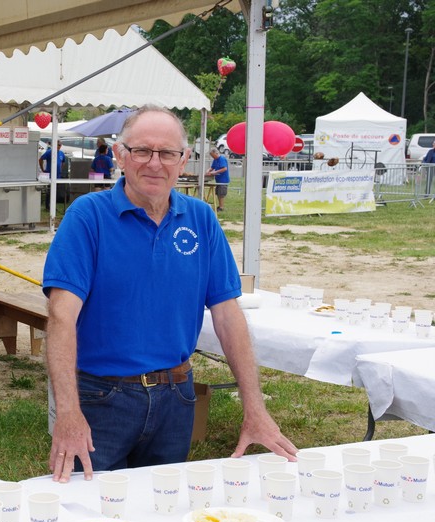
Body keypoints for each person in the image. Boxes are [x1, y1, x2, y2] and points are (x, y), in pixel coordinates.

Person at [42, 105, 297, 483]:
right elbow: (62, 316)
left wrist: (255, 408)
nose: (154, 164)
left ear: (184, 160)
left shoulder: (201, 218)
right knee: (88, 510)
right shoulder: (88, 216)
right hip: (101, 397)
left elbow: (228, 314)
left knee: (162, 509)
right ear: (120, 155)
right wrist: (67, 412)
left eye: (167, 153)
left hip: (177, 397)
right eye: (142, 151)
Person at [206, 147, 230, 212]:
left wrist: (215, 172)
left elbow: (224, 168)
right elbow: (212, 167)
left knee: (221, 194)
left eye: (212, 155)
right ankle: (219, 206)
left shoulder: (222, 159)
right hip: (218, 179)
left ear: (216, 153)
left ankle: (221, 207)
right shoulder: (215, 160)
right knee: (218, 193)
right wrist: (208, 170)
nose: (212, 156)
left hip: (223, 180)